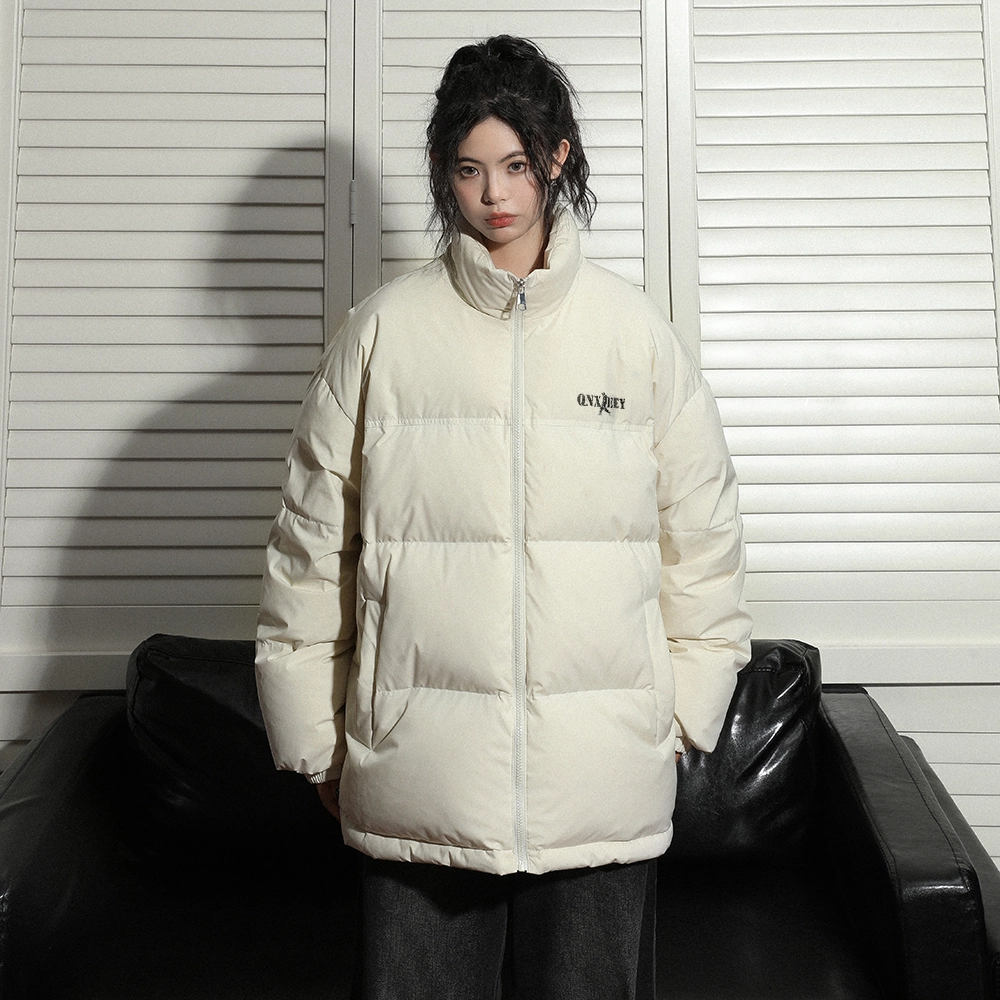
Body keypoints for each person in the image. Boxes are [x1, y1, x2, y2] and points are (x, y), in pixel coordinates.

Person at [256, 35, 751, 1000]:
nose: (495, 196)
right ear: (444, 170)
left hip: (600, 782)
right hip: (421, 779)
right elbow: (312, 548)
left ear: (557, 156)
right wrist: (315, 737)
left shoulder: (633, 336)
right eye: (470, 169)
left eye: (517, 165)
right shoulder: (382, 334)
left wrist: (681, 715)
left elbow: (703, 540)